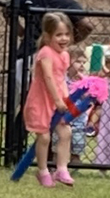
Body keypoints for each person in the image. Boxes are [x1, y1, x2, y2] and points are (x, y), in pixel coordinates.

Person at [11, 0, 95, 151]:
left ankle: (16, 147)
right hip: (40, 60)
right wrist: (69, 42)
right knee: (46, 105)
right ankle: (34, 149)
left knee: (27, 103)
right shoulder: (67, 4)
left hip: (24, 56)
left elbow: (9, 10)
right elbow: (87, 25)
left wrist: (22, 32)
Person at [22, 12, 74, 187]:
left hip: (58, 100)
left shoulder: (65, 55)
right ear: (47, 36)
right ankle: (43, 170)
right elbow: (48, 77)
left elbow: (62, 78)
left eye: (67, 34)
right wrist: (57, 100)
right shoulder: (45, 53)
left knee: (66, 133)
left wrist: (65, 100)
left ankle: (61, 169)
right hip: (42, 100)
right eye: (59, 35)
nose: (64, 38)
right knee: (44, 137)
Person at [50, 46, 91, 164]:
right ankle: (55, 166)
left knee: (77, 147)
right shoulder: (63, 79)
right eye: (78, 62)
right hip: (62, 118)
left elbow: (87, 97)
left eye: (84, 62)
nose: (82, 65)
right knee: (58, 145)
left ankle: (75, 167)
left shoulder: (85, 80)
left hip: (79, 120)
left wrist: (83, 84)